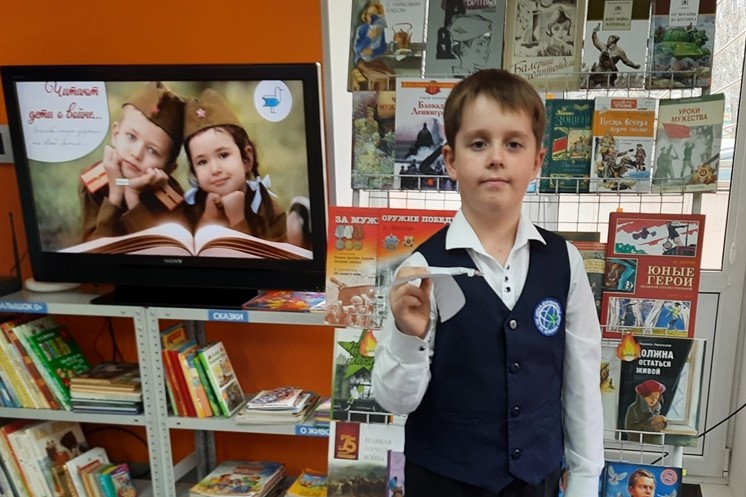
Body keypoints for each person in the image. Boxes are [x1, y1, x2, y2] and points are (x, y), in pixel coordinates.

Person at [372, 69, 604, 497]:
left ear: (536, 161)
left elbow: (582, 382)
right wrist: (408, 337)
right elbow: (395, 401)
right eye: (478, 143)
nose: (496, 157)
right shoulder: (423, 268)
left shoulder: (565, 262)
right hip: (443, 481)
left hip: (536, 479)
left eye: (513, 144)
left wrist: (586, 478)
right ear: (450, 160)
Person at [79, 82, 190, 241]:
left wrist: (133, 197)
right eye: (131, 137)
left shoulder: (171, 198)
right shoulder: (95, 182)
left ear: (169, 168)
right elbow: (93, 249)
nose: (136, 154)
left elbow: (163, 249)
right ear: (116, 135)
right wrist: (115, 194)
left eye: (152, 151)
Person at [182, 88, 287, 241]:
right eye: (202, 162)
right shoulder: (189, 209)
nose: (215, 170)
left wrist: (238, 219)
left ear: (246, 159)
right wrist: (208, 219)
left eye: (223, 155)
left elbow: (274, 254)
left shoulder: (270, 211)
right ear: (194, 172)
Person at [624, 379, 667, 444]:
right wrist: (652, 426)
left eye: (656, 398)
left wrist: (662, 423)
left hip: (655, 444)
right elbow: (631, 430)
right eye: (650, 397)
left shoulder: (656, 409)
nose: (653, 401)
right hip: (638, 444)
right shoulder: (634, 409)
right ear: (642, 396)